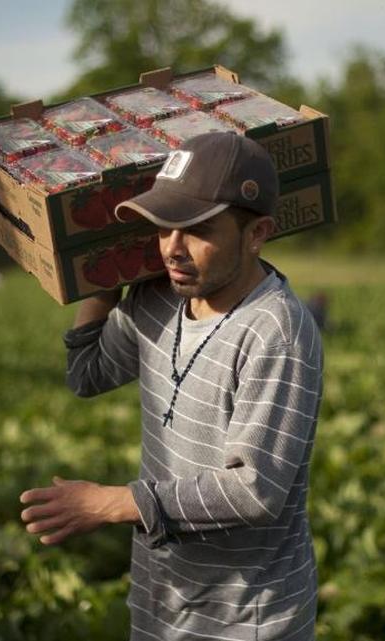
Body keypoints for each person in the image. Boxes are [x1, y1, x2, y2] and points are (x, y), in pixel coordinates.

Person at [19, 133, 323, 641]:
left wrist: (112, 503)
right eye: (163, 226)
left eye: (197, 229)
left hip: (247, 619)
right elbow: (86, 375)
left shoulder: (277, 332)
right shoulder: (156, 300)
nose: (172, 249)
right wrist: (102, 286)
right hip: (163, 604)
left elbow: (254, 490)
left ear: (256, 233)